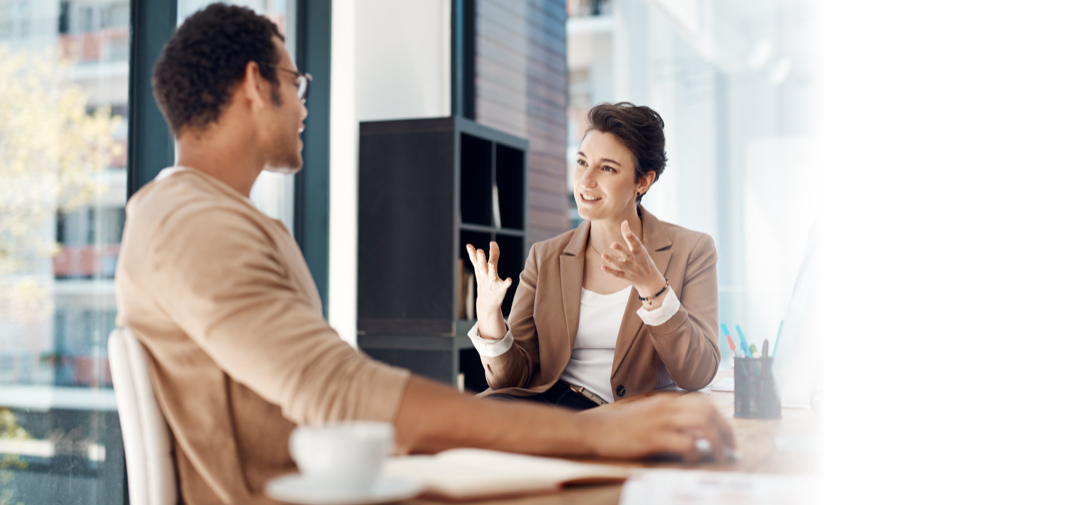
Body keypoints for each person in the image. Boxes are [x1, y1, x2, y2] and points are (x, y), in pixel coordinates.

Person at [114, 4, 734, 504]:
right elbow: (339, 391)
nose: (305, 103)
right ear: (255, 84)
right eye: (295, 82)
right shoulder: (191, 223)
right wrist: (588, 436)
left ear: (642, 179)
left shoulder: (222, 219)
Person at [466, 102, 721, 409]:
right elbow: (513, 379)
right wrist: (489, 318)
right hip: (548, 408)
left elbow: (698, 373)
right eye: (582, 162)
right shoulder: (545, 256)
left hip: (622, 419)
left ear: (643, 181)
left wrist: (653, 288)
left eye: (607, 168)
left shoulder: (692, 251)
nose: (585, 182)